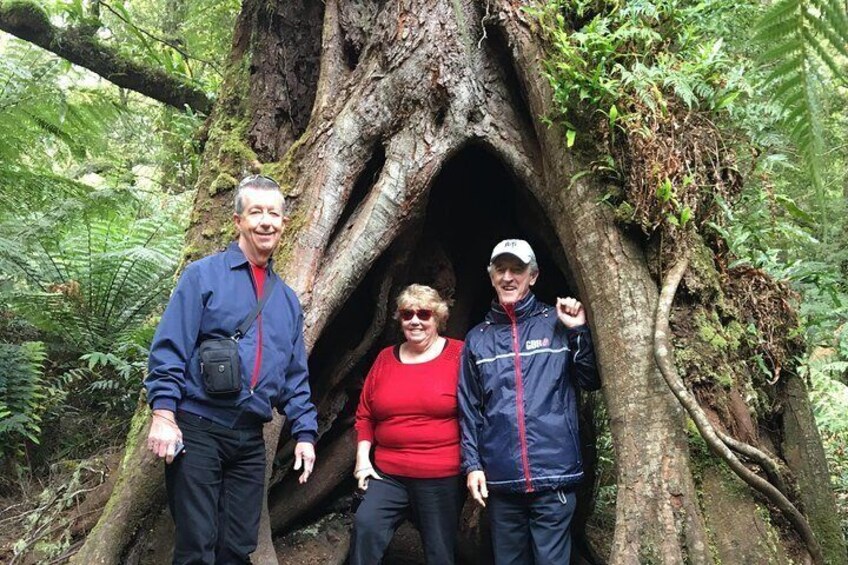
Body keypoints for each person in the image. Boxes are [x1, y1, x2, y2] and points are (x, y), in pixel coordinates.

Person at [144, 174, 318, 565]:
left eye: (274, 213)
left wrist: (305, 432)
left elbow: (295, 377)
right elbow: (170, 346)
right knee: (196, 546)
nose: (266, 221)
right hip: (199, 427)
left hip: (249, 440)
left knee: (238, 548)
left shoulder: (287, 301)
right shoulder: (203, 276)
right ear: (238, 220)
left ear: (284, 224)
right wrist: (163, 413)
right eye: (256, 211)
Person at [458, 239, 601, 564]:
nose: (508, 277)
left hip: (554, 476)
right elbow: (469, 409)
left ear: (533, 276)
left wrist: (578, 330)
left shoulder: (556, 322)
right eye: (500, 269)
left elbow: (590, 381)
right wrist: (472, 465)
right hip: (502, 480)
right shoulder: (477, 339)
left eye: (517, 269)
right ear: (491, 275)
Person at [350, 284, 465, 565]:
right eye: (407, 314)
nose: (415, 320)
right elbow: (365, 414)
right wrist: (362, 461)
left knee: (440, 551)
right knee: (366, 526)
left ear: (438, 318)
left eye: (424, 314)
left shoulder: (459, 355)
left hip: (440, 475)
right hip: (388, 474)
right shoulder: (385, 359)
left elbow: (478, 412)